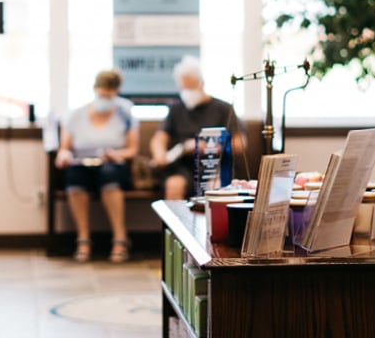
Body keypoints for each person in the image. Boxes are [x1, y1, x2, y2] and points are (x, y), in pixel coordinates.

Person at [54, 70, 138, 262]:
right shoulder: (76, 115)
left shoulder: (125, 113)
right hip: (82, 164)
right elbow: (64, 148)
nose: (105, 99)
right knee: (75, 178)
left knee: (109, 177)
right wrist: (64, 155)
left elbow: (132, 149)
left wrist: (115, 154)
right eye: (102, 95)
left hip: (112, 164)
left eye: (109, 95)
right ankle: (83, 239)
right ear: (94, 90)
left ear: (116, 92)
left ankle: (120, 239)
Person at [150, 56, 247, 200]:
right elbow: (159, 139)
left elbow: (240, 144)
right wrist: (160, 155)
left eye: (190, 88)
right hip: (184, 166)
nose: (187, 92)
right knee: (174, 184)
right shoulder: (177, 109)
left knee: (215, 188)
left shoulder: (224, 109)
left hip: (215, 166)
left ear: (201, 84)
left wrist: (209, 147)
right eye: (183, 88)